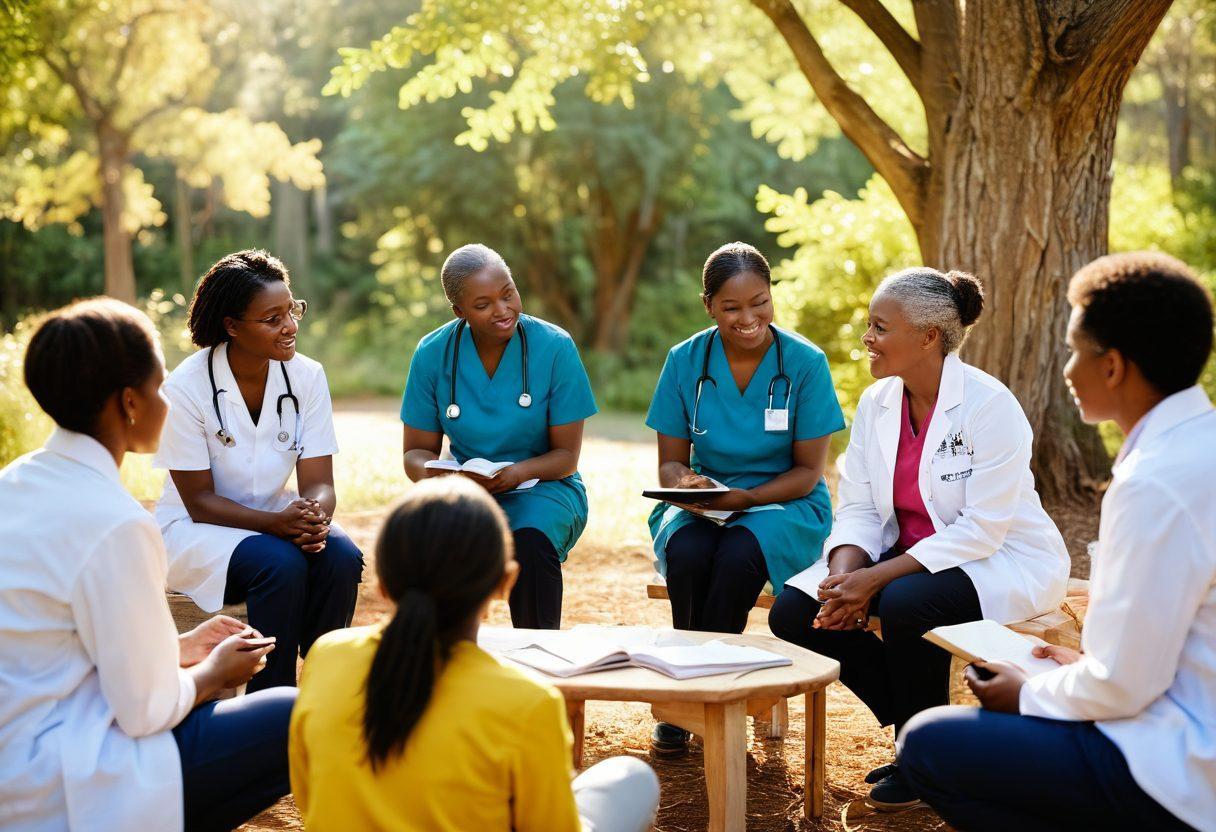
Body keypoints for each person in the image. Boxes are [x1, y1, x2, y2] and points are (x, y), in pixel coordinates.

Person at [899, 252, 1214, 832]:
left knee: (929, 743)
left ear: (1114, 366)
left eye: (1075, 350)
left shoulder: (1155, 483)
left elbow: (1126, 686)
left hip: (1182, 766)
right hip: (1184, 717)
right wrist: (1086, 666)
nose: (1067, 370)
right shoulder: (1200, 448)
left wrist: (1028, 693)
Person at [769, 267, 1070, 810]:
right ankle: (929, 731)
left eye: (880, 327)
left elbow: (982, 528)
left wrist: (875, 579)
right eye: (870, 325)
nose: (867, 338)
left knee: (910, 602)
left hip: (997, 557)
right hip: (900, 554)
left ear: (928, 338)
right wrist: (843, 577)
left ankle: (918, 755)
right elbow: (859, 507)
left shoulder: (988, 405)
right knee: (793, 611)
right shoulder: (877, 403)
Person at [0, 298, 294, 832]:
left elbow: (56, 644)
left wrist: (179, 649)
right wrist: (212, 672)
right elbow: (147, 712)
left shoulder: (16, 483)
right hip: (61, 782)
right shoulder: (116, 522)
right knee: (293, 715)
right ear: (130, 402)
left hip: (15, 751)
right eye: (162, 389)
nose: (170, 403)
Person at [289, 476, 660, 831]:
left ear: (383, 586)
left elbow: (309, 796)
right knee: (631, 778)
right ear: (505, 583)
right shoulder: (528, 704)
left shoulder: (326, 659)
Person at [644, 241, 845, 755]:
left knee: (736, 557)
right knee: (687, 553)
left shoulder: (803, 363)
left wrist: (747, 499)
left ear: (772, 295)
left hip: (784, 503)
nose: (748, 317)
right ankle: (703, 689)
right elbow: (670, 460)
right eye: (731, 307)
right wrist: (690, 487)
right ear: (708, 305)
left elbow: (807, 473)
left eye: (760, 301)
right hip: (708, 503)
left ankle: (696, 694)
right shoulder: (685, 361)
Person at [153, 250, 363, 692]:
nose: (289, 326)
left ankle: (328, 684)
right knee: (280, 563)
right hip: (195, 531)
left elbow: (320, 481)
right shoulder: (187, 388)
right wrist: (278, 526)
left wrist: (314, 516)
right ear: (232, 326)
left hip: (276, 521)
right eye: (272, 318)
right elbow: (199, 501)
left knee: (342, 557)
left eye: (292, 311)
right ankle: (272, 698)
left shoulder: (306, 377)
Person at [401, 243, 598, 630]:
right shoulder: (432, 353)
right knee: (432, 549)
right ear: (459, 311)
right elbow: (415, 453)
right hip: (464, 495)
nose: (503, 309)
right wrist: (446, 479)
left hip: (545, 487)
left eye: (508, 294)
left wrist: (515, 474)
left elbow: (565, 457)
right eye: (484, 304)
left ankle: (542, 662)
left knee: (529, 543)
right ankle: (448, 665)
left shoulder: (554, 347)